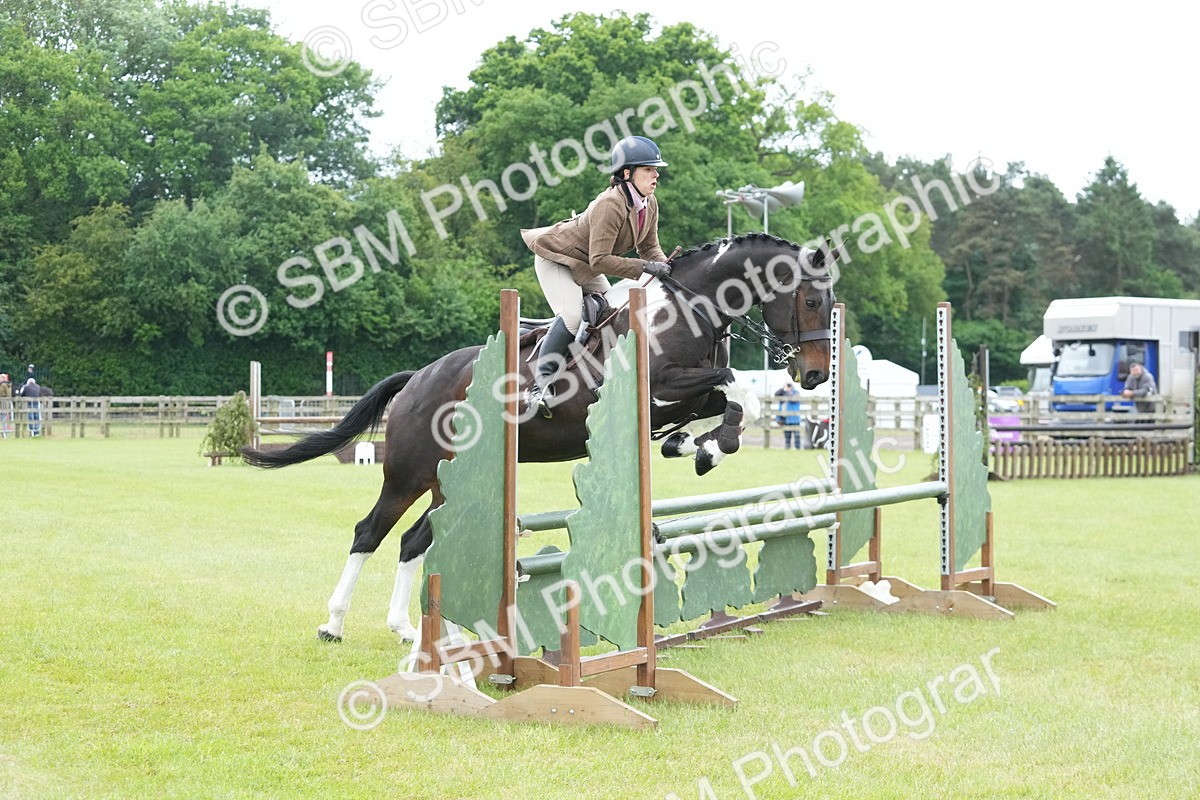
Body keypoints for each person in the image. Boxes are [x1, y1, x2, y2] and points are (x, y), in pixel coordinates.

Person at [520, 135, 672, 418]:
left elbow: (650, 248)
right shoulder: (610, 203)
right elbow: (600, 259)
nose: (656, 174)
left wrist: (671, 271)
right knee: (572, 317)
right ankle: (537, 387)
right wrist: (645, 268)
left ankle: (593, 375)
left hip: (586, 264)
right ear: (627, 173)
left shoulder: (649, 205)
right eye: (649, 169)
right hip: (557, 258)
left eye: (656, 169)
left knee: (610, 313)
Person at [774, 382, 802, 449]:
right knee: (787, 435)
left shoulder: (796, 392)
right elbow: (776, 394)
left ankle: (797, 447)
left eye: (789, 386)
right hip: (786, 418)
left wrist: (788, 391)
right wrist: (782, 388)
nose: (788, 387)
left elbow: (794, 399)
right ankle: (787, 447)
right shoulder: (783, 392)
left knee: (797, 435)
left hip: (795, 418)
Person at [17, 369, 41, 436]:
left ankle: (32, 430)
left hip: (30, 403)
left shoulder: (26, 387)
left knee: (31, 417)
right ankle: (36, 431)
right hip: (36, 403)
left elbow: (22, 394)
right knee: (37, 416)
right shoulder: (38, 386)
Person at [0, 373, 12, 438]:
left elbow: (1, 394)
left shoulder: (3, 385)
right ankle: (4, 432)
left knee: (2, 418)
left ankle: (4, 432)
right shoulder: (8, 385)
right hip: (6, 404)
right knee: (4, 418)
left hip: (2, 404)